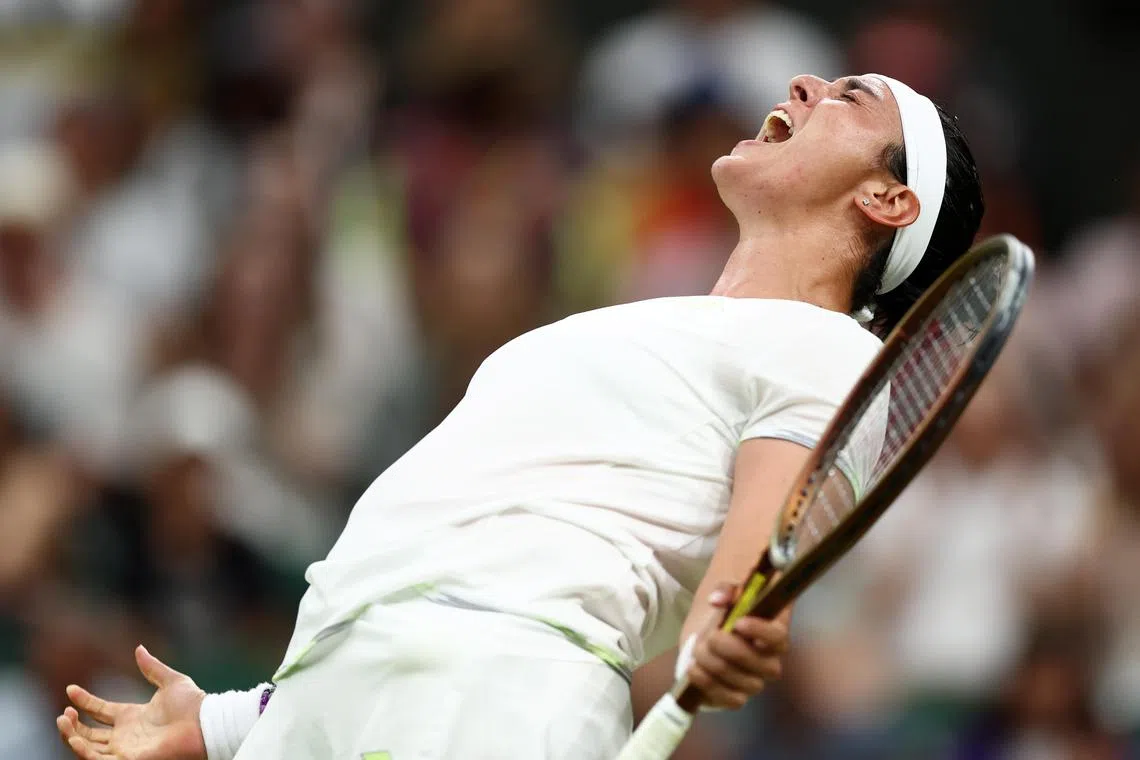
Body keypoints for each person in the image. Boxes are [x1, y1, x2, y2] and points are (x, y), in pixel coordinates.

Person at [56, 73, 984, 760]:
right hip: (325, 698)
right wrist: (227, 720)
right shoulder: (636, 320)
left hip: (493, 696)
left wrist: (720, 637)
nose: (804, 86)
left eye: (851, 100)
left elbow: (748, 572)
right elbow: (463, 535)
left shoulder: (832, 355)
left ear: (887, 198)